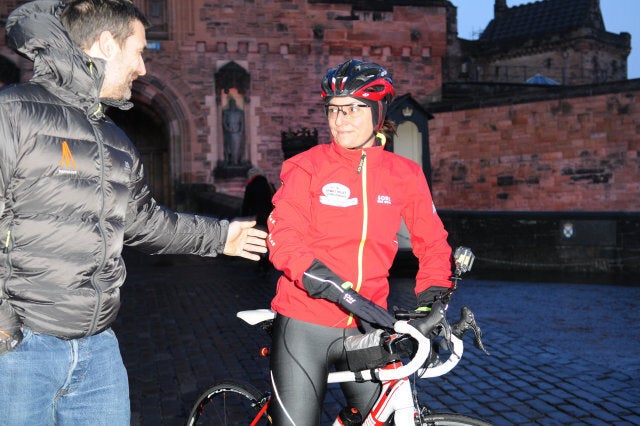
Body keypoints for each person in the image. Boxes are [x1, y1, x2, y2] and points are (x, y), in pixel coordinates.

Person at [0, 1, 267, 424]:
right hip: (20, 348)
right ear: (106, 44)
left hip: (98, 348)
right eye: (139, 51)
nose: (142, 67)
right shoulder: (12, 112)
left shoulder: (115, 139)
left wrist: (220, 237)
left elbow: (145, 222)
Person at [266, 59, 454, 425]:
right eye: (334, 110)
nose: (340, 120)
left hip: (368, 325)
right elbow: (284, 236)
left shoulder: (404, 174)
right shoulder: (307, 166)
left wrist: (433, 296)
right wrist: (328, 283)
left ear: (378, 112)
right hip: (305, 322)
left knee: (379, 419)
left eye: (353, 109)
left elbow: (432, 240)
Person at [222, 97, 245, 165]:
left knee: (237, 147)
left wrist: (240, 131)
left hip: (237, 131)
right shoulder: (226, 112)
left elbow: (242, 123)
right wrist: (227, 129)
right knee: (229, 147)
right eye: (230, 103)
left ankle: (236, 161)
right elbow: (224, 122)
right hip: (229, 132)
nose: (232, 104)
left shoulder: (239, 112)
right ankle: (230, 160)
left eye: (233, 102)